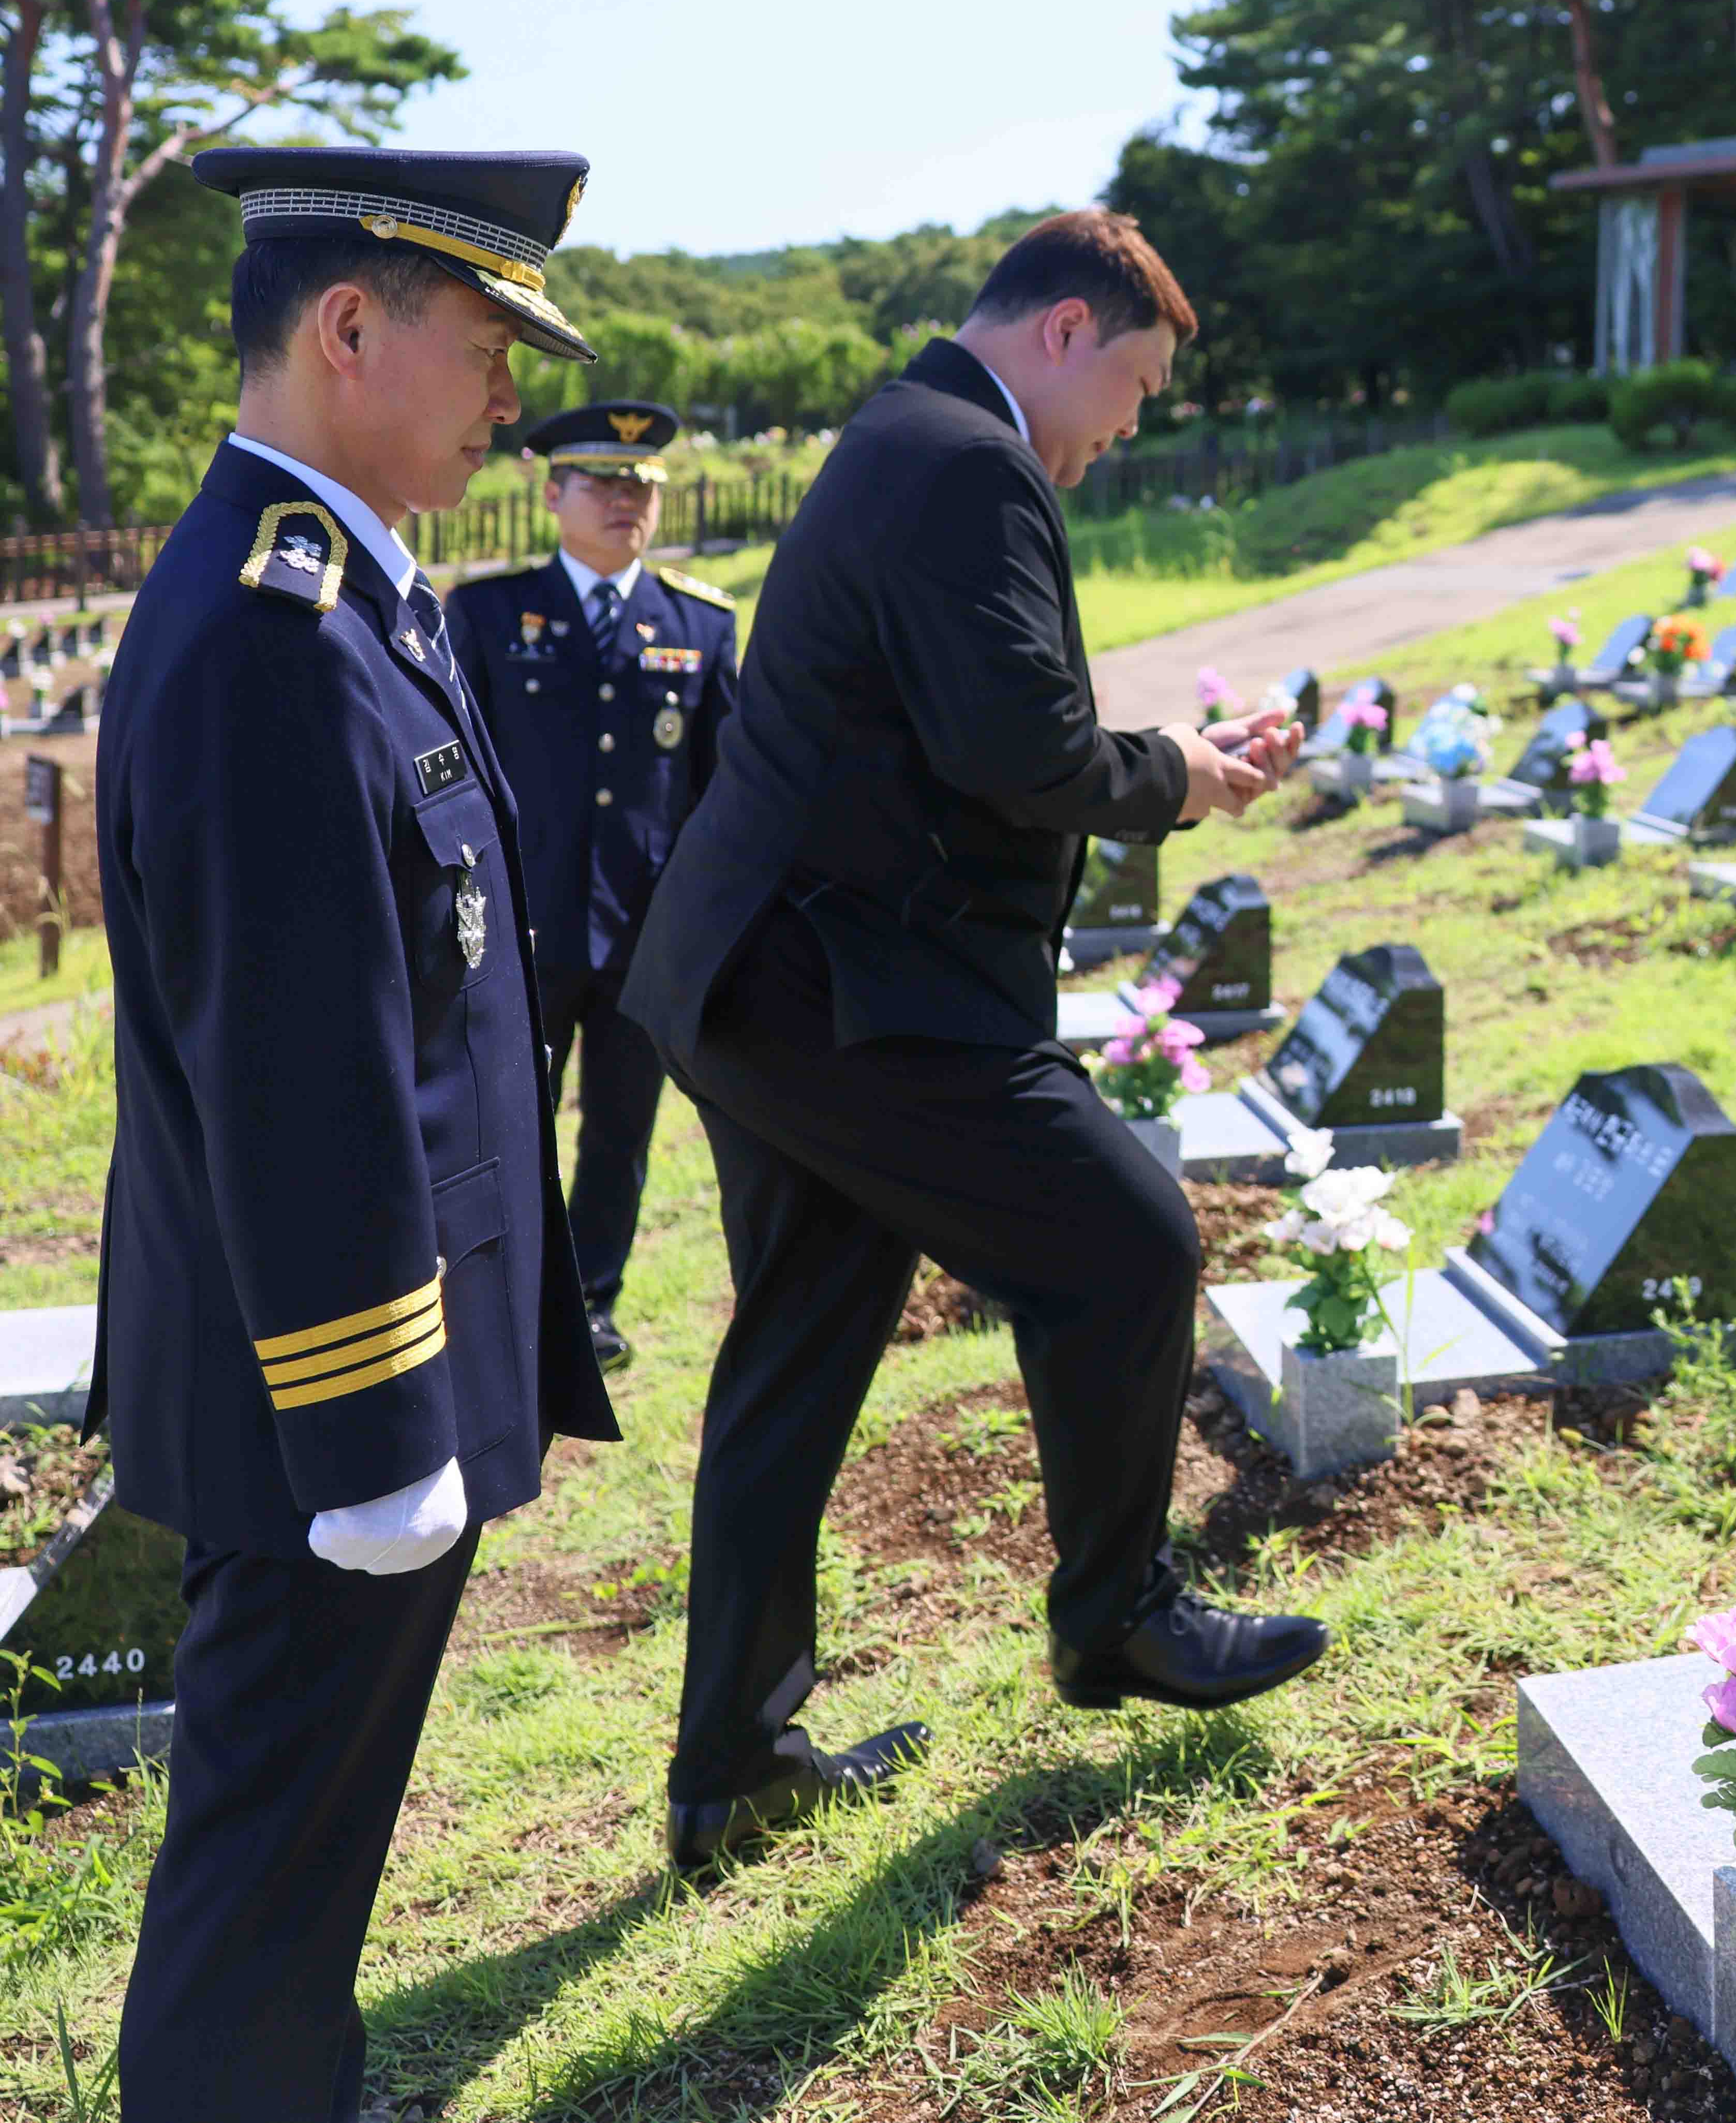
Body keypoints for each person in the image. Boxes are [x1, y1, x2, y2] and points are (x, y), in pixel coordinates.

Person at [621, 208, 1316, 1870]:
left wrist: (1150, 755)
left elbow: (960, 715)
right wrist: (1183, 775)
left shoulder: (901, 433)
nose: (1130, 426)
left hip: (756, 978)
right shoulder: (965, 461)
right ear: (1066, 332)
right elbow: (1015, 742)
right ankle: (1118, 1614)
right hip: (852, 989)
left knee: (795, 1351)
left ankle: (732, 1760)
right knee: (1129, 1241)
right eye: (1137, 385)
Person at [96, 146, 619, 2118]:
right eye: (487, 347)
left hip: (355, 1364)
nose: (508, 401)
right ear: (346, 331)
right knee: (262, 1855)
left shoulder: (340, 594)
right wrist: (384, 1423)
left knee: (306, 1851)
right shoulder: (267, 633)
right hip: (327, 1391)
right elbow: (302, 1077)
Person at [446, 400, 736, 1372]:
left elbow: (722, 792)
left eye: (643, 485)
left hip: (643, 936)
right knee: (506, 1125)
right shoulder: (489, 615)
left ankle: (592, 1304)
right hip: (518, 931)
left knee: (622, 1133)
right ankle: (503, 1302)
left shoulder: (697, 625)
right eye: (606, 483)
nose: (628, 501)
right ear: (553, 493)